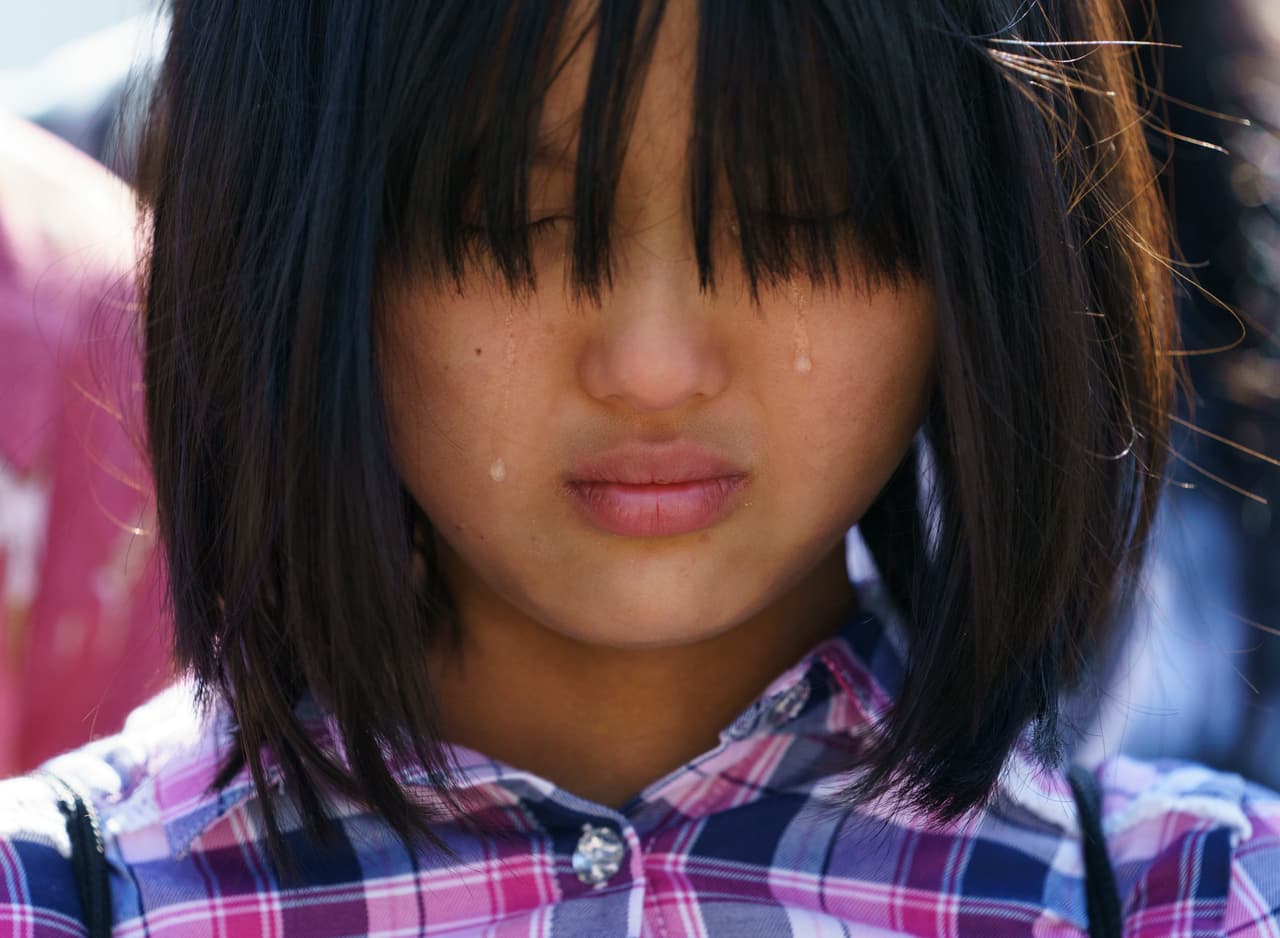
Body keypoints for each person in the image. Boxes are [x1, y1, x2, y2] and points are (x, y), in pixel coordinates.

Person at [1, 1, 1277, 936]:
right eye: (508, 218)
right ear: (293, 221)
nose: (654, 364)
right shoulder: (60, 894)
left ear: (981, 235)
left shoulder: (1199, 897)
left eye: (801, 213)